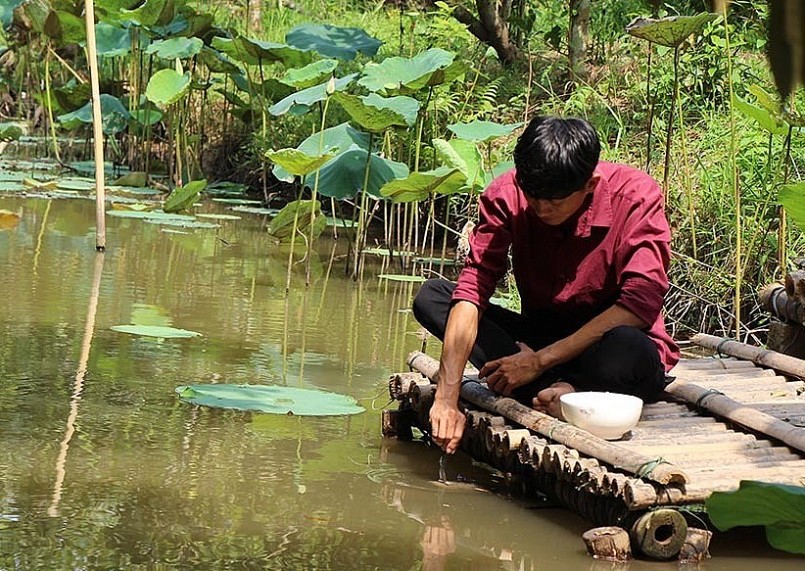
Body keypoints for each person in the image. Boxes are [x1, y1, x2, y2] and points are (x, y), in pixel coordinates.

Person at [412, 115, 679, 454]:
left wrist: (538, 361)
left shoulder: (636, 195)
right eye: (532, 196)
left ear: (590, 185)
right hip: (538, 336)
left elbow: (640, 305)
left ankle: (565, 387)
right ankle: (557, 391)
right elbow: (473, 288)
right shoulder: (508, 194)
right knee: (432, 297)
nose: (539, 208)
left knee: (626, 347)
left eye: (553, 202)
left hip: (607, 347)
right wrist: (446, 399)